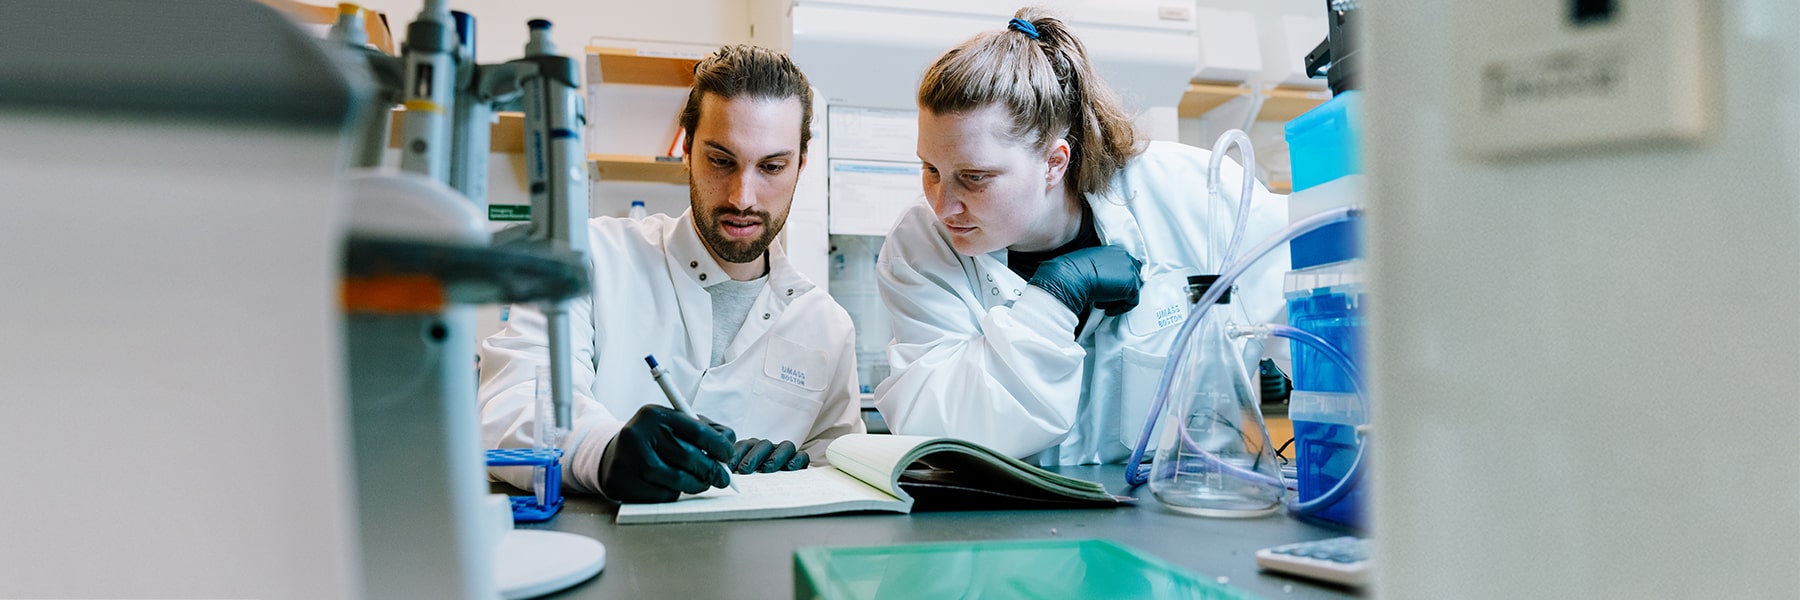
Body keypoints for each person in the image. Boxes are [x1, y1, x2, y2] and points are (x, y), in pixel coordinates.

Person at [872, 9, 1288, 465]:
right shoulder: (921, 245)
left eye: (974, 177)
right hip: (1010, 506)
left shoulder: (1193, 193)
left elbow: (1318, 315)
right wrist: (1054, 298)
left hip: (1183, 496)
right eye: (931, 169)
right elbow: (943, 434)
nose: (943, 205)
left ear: (1054, 162)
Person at [479, 45, 863, 503]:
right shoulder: (589, 259)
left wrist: (800, 470)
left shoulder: (826, 326)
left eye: (771, 167)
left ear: (801, 164)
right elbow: (510, 406)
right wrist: (603, 451)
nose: (743, 197)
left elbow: (844, 469)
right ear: (686, 149)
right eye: (721, 161)